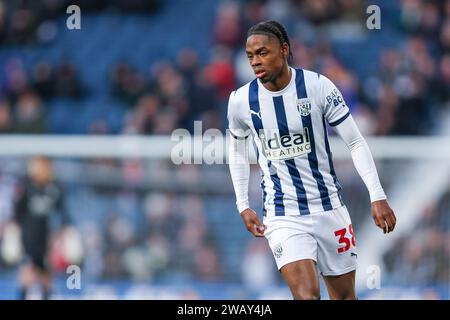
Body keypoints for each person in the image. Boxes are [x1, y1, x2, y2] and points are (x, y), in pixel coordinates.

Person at [227, 20, 397, 300]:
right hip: (283, 214)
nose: (255, 62)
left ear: (284, 50)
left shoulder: (318, 87)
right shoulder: (241, 101)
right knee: (307, 296)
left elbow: (355, 141)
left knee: (343, 297)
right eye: (250, 56)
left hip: (329, 208)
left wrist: (377, 195)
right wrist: (243, 204)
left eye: (262, 53)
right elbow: (236, 151)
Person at [12, 156, 70, 300]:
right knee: (27, 273)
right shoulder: (26, 185)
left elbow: (63, 214)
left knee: (46, 275)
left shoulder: (56, 187)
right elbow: (16, 213)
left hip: (47, 239)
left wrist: (61, 234)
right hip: (28, 239)